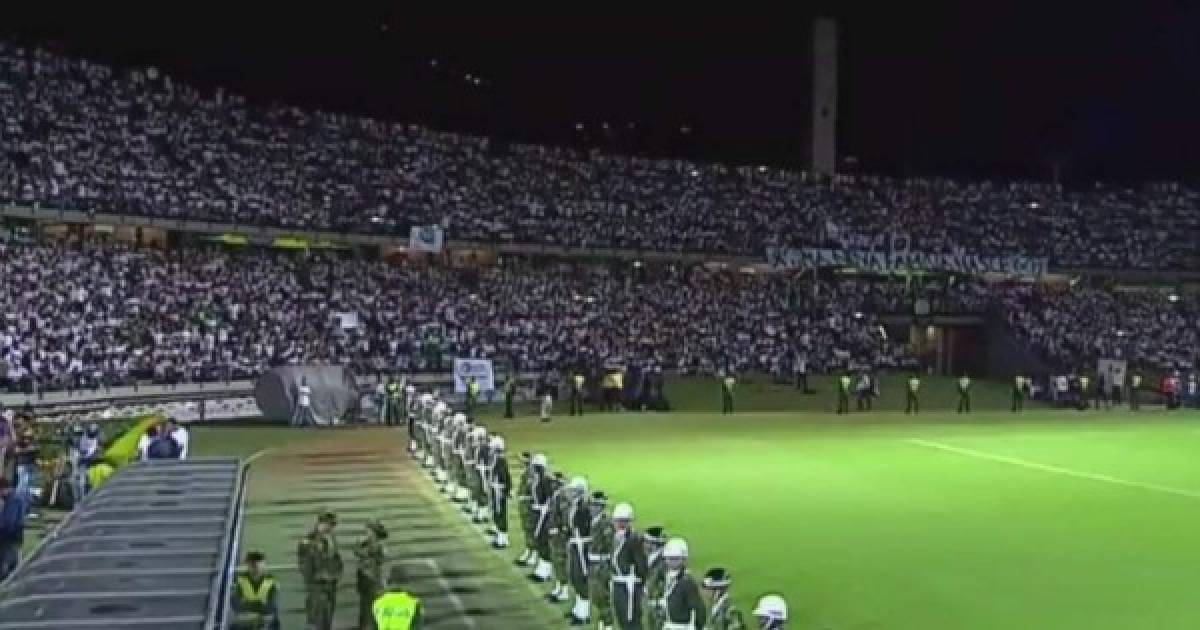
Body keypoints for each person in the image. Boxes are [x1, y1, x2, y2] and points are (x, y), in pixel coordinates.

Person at [298, 510, 343, 630]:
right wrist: (316, 578)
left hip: (330, 586)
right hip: (317, 587)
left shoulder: (331, 540)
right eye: (328, 524)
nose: (330, 528)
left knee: (327, 621)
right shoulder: (308, 542)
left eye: (332, 525)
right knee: (316, 621)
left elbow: (337, 560)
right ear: (320, 524)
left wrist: (336, 576)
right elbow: (304, 566)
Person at [609, 502, 648, 630]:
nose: (620, 524)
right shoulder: (615, 537)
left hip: (630, 585)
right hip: (619, 583)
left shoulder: (634, 539)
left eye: (624, 521)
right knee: (621, 616)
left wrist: (639, 583)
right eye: (618, 521)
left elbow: (641, 564)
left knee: (631, 619)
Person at [659, 538, 707, 630]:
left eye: (676, 559)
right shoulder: (666, 578)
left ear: (683, 559)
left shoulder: (687, 582)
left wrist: (698, 626)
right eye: (670, 558)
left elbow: (698, 608)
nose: (672, 562)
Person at [565, 476, 593, 624]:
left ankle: (584, 613)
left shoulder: (584, 509)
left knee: (581, 578)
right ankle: (578, 608)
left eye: (574, 490)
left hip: (583, 546)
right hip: (576, 545)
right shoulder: (575, 506)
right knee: (574, 576)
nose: (571, 493)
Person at [230, 551, 281, 630]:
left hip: (264, 622)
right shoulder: (239, 580)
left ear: (264, 564)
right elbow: (236, 604)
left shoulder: (272, 581)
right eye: (252, 562)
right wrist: (260, 604)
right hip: (245, 621)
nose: (256, 565)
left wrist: (248, 605)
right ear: (248, 564)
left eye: (259, 562)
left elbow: (272, 606)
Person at [587, 491, 615, 630]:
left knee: (603, 596)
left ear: (600, 507)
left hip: (602, 565)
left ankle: (608, 624)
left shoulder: (605, 523)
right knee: (596, 595)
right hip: (594, 563)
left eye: (594, 505)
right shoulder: (595, 521)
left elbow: (610, 546)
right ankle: (603, 622)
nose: (591, 508)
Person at [356, 520, 388, 630]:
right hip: (365, 578)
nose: (366, 531)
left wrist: (361, 546)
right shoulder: (367, 542)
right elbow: (357, 552)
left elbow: (366, 554)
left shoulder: (378, 546)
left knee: (372, 607)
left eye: (369, 529)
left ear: (374, 532)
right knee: (364, 607)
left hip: (373, 580)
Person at [530, 454, 556, 583]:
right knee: (538, 541)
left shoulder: (546, 481)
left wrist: (546, 510)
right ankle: (541, 567)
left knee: (543, 541)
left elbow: (551, 498)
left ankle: (545, 570)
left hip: (544, 515)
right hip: (537, 512)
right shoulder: (537, 479)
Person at [0, 477, 29, 581]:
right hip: (14, 535)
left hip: (10, 536)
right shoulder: (15, 498)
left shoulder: (13, 500)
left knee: (6, 564)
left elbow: (9, 521)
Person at [514, 452, 538, 566]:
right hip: (524, 504)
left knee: (531, 529)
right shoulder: (528, 472)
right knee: (527, 529)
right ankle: (529, 550)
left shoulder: (532, 474)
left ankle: (534, 553)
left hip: (529, 505)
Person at [489, 436, 512, 549]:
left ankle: (503, 538)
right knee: (497, 512)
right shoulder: (497, 459)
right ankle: (499, 535)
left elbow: (504, 478)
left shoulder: (500, 460)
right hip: (496, 489)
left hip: (499, 491)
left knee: (500, 513)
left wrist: (503, 490)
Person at [643, 525, 668, 629]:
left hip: (661, 607)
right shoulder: (650, 559)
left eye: (646, 542)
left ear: (654, 544)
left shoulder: (664, 562)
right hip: (652, 604)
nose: (643, 545)